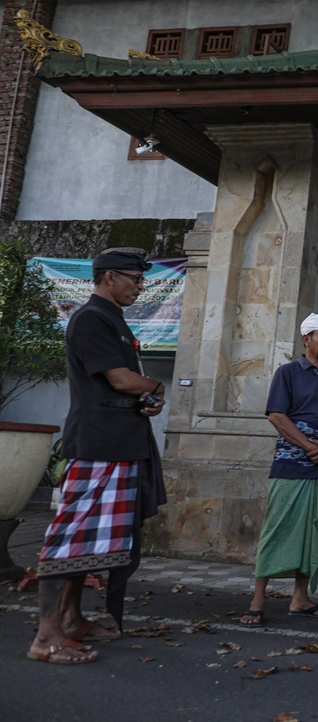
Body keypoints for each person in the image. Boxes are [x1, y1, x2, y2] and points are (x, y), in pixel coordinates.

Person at [27, 247, 167, 665]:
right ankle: (45, 638)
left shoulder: (113, 320)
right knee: (70, 538)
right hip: (98, 445)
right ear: (109, 277)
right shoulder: (91, 318)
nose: (139, 287)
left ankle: (71, 620)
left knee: (92, 542)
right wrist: (155, 388)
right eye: (134, 278)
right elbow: (121, 379)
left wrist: (146, 399)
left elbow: (124, 387)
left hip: (120, 443)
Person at [238, 313, 318, 626]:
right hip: (291, 463)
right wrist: (311, 447)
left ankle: (300, 599)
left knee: (311, 534)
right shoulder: (288, 373)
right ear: (307, 340)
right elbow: (276, 416)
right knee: (277, 529)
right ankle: (257, 599)